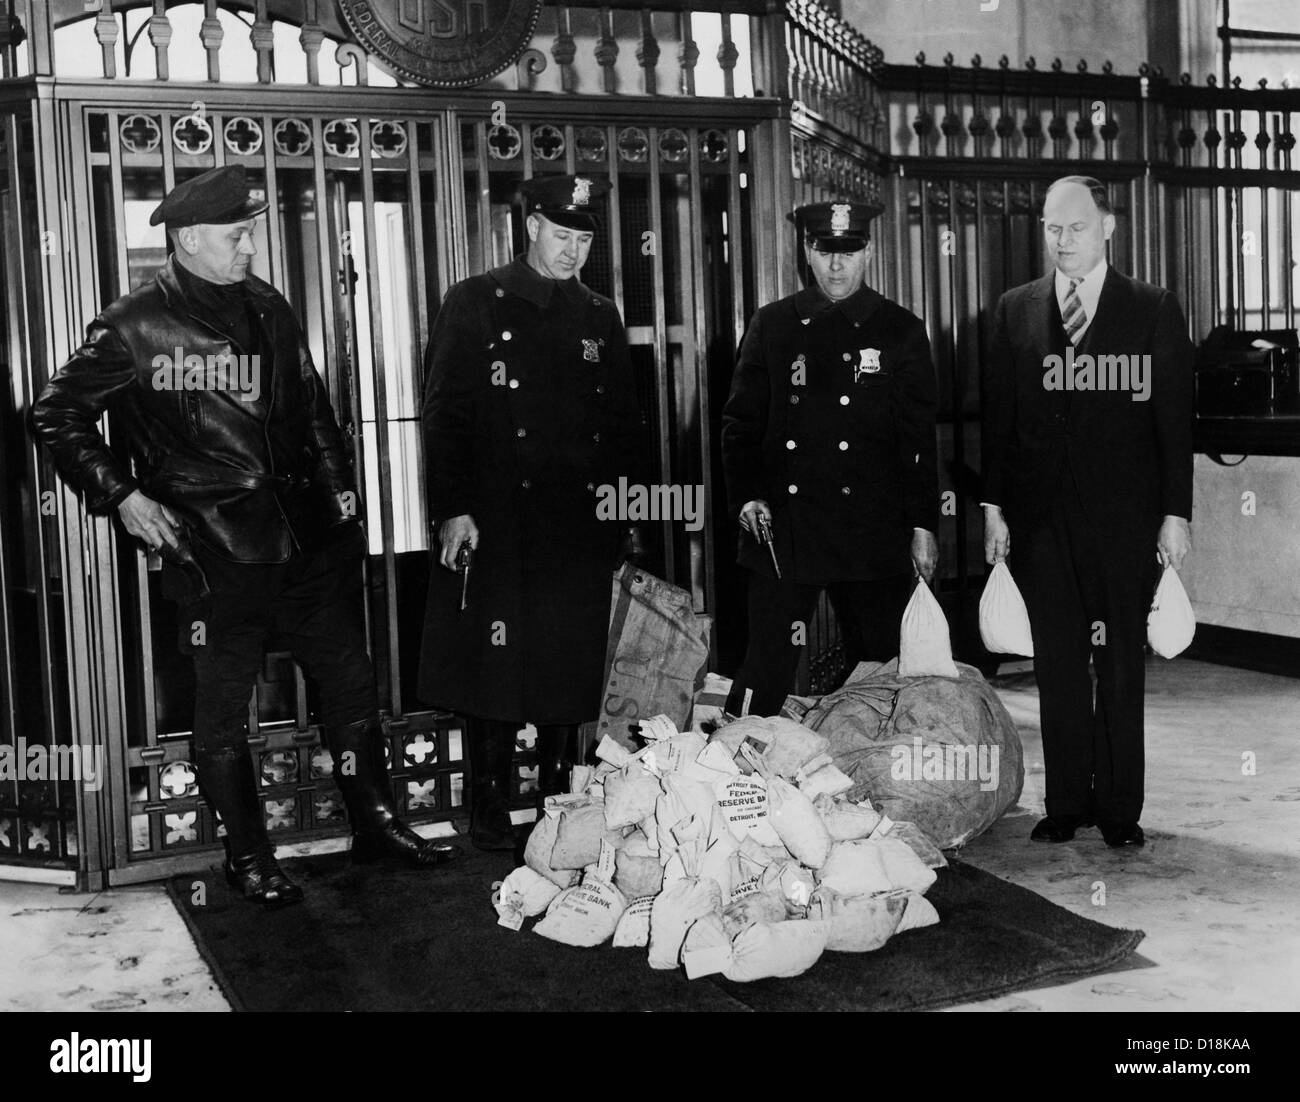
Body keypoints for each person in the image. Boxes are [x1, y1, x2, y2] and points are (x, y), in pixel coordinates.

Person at [32, 165, 459, 907]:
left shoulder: (269, 306)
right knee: (223, 706)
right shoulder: (134, 323)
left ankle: (376, 819)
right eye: (237, 235)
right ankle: (250, 854)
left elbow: (314, 406)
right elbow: (53, 412)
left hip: (306, 539)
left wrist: (342, 494)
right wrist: (123, 495)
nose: (250, 247)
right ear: (190, 238)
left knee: (352, 684)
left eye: (252, 232)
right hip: (215, 548)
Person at [419, 174, 648, 850]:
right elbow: (445, 414)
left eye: (583, 238)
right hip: (497, 515)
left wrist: (626, 506)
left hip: (576, 517)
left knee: (566, 656)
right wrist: (453, 508)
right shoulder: (475, 300)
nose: (573, 249)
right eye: (561, 234)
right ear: (531, 228)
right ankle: (487, 802)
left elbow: (623, 422)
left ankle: (558, 796)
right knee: (492, 658)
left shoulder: (598, 313)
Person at [981, 174, 1193, 849]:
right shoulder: (1015, 310)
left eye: (1075, 226)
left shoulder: (1153, 309)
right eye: (1052, 228)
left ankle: (1120, 808)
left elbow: (1173, 423)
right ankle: (1067, 801)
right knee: (1061, 662)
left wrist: (1174, 514)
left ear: (1108, 227)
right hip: (1040, 520)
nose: (1063, 240)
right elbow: (998, 423)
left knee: (1121, 663)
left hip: (1125, 521)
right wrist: (993, 507)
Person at [721, 200, 940, 718]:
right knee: (765, 663)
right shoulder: (773, 325)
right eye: (825, 252)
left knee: (884, 665)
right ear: (807, 251)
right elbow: (740, 423)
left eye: (849, 251)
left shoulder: (899, 330)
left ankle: (881, 778)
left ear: (868, 251)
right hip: (787, 524)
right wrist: (748, 495)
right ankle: (737, 772)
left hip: (872, 526)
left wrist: (923, 525)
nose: (836, 266)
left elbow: (917, 440)